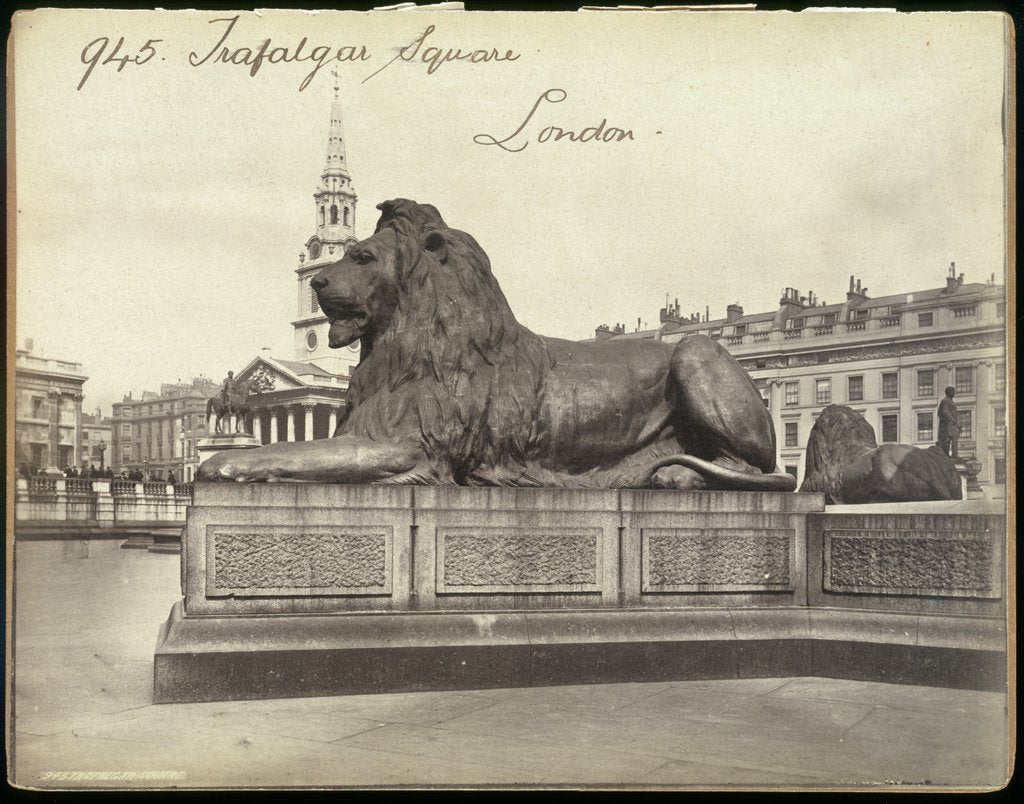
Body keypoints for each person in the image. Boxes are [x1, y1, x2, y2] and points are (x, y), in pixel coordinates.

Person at [937, 385, 960, 459]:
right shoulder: (945, 401)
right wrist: (952, 420)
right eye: (952, 391)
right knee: (947, 440)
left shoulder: (951, 401)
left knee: (954, 439)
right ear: (949, 392)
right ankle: (947, 455)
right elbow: (945, 412)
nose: (954, 393)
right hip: (948, 425)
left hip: (952, 425)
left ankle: (954, 455)